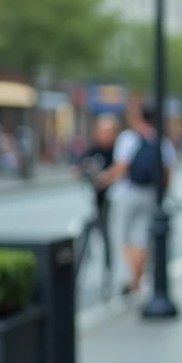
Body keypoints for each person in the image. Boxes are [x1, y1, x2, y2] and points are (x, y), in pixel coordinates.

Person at [100, 102, 177, 297]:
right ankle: (136, 279)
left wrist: (103, 178)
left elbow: (121, 167)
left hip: (129, 193)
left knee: (124, 236)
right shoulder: (162, 140)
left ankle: (134, 278)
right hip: (151, 193)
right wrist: (163, 193)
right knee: (143, 238)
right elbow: (168, 171)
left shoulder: (128, 138)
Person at [75, 115, 119, 278]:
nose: (105, 135)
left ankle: (109, 270)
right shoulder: (92, 150)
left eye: (109, 132)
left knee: (108, 235)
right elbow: (78, 167)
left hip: (114, 201)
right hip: (96, 200)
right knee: (88, 231)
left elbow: (122, 169)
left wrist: (108, 177)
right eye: (102, 131)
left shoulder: (118, 149)